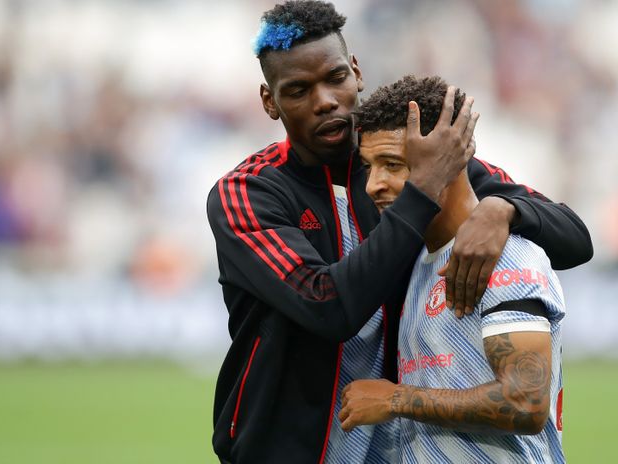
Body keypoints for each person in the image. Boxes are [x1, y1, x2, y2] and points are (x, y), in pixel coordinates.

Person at [206, 1, 590, 462]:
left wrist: (502, 209)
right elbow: (330, 308)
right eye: (298, 90)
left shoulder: (406, 160)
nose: (325, 100)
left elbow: (574, 238)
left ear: (356, 72)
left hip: (395, 449)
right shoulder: (247, 193)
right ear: (270, 101)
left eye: (334, 78)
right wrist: (424, 185)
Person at [339, 75, 567, 463]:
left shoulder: (506, 257)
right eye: (368, 167)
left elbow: (525, 402)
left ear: (449, 161)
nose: (373, 184)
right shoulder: (416, 261)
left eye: (393, 165)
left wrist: (395, 399)